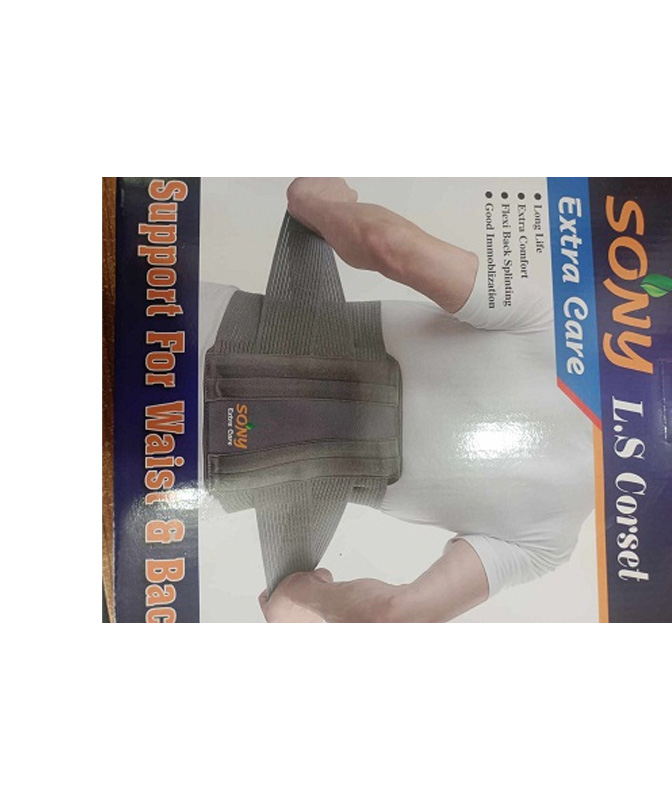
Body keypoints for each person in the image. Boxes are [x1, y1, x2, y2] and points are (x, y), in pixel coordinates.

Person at [213, 178, 593, 622]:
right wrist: (302, 597)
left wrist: (317, 204)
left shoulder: (560, 334)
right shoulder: (549, 540)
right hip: (196, 469)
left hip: (198, 332)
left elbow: (389, 246)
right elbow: (396, 614)